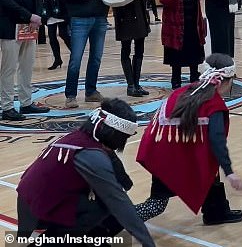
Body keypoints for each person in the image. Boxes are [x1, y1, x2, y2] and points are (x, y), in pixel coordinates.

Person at [16, 98, 156, 246]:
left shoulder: (80, 137)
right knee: (104, 205)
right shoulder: (91, 155)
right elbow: (118, 201)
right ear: (116, 135)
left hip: (29, 198)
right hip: (40, 207)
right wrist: (148, 243)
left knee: (101, 206)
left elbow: (120, 179)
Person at [136, 53, 242, 225]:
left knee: (206, 163)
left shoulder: (186, 91)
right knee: (157, 204)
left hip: (159, 148)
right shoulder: (213, 104)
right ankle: (112, 220)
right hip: (167, 154)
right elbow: (217, 141)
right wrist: (230, 172)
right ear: (226, 81)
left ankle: (216, 211)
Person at [53, 0, 108, 109]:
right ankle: (70, 95)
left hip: (99, 18)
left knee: (97, 58)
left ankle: (91, 91)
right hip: (78, 19)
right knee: (76, 59)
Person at [0, 0, 50, 121]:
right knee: (9, 68)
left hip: (29, 27)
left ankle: (26, 102)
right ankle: (6, 106)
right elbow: (5, 0)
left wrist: (36, 16)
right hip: (10, 27)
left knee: (27, 66)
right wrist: (29, 16)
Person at [109, 0, 152, 97]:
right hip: (124, 15)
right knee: (126, 49)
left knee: (139, 49)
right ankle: (130, 85)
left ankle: (137, 83)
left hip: (138, 12)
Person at [160, 0, 206, 89]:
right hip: (175, 24)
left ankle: (194, 75)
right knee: (176, 53)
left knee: (194, 49)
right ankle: (176, 79)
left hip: (193, 22)